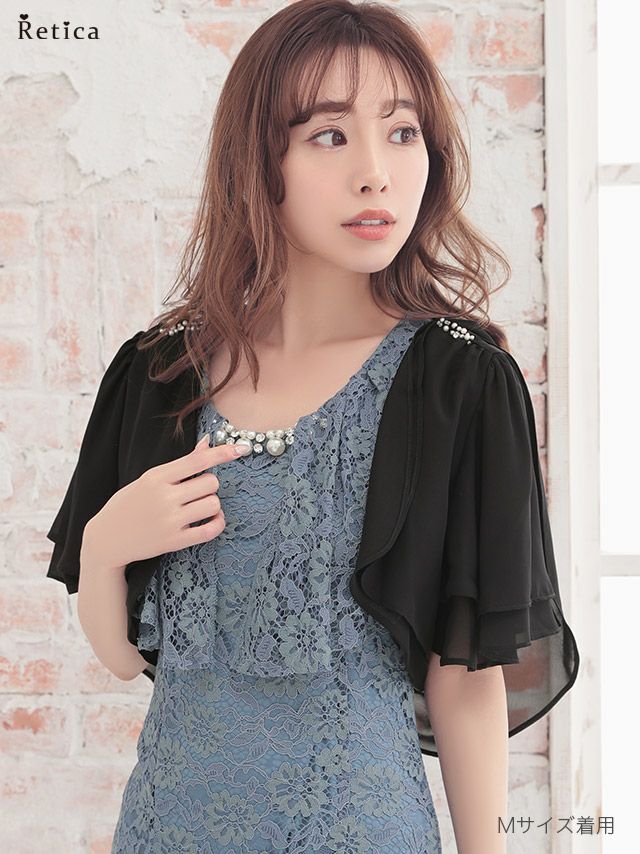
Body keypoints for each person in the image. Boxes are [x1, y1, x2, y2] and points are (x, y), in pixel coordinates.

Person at [45, 2, 579, 852]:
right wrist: (106, 543)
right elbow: (121, 658)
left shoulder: (460, 383)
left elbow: (467, 682)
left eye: (402, 132)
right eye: (330, 135)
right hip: (167, 829)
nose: (376, 173)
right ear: (260, 161)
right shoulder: (156, 373)